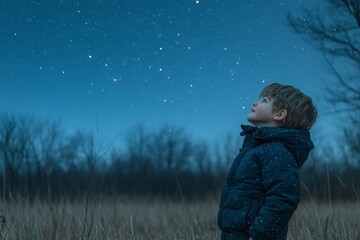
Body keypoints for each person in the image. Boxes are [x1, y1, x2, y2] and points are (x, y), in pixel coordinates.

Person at [217, 83, 317, 240]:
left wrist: (258, 234)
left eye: (264, 100)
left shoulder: (276, 151)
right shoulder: (254, 148)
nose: (255, 103)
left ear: (279, 114)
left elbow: (284, 197)